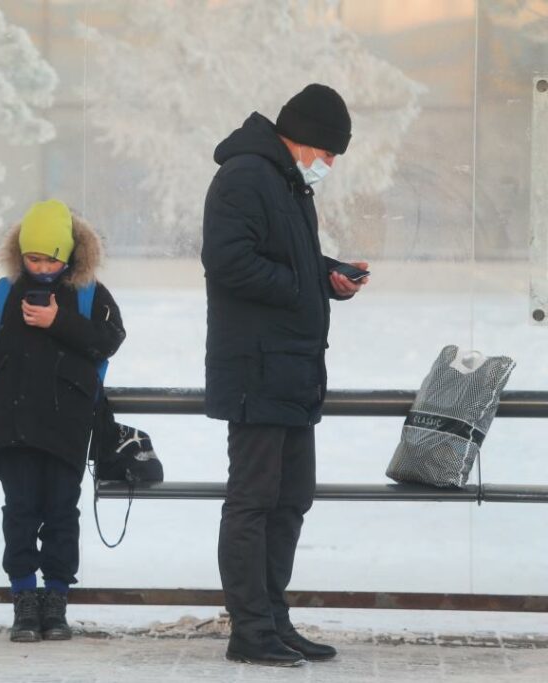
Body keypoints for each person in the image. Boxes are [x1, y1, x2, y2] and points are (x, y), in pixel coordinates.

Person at [201, 84, 369, 666]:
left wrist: (328, 276)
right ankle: (250, 630)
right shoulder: (246, 176)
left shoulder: (287, 183)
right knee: (253, 501)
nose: (329, 165)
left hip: (292, 369)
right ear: (303, 138)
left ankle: (273, 619)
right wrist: (302, 285)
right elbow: (228, 261)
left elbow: (284, 258)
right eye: (328, 153)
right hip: (258, 369)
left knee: (290, 498)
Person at [0, 200, 126, 642]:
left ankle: (56, 599)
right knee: (19, 512)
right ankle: (23, 598)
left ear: (69, 254)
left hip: (67, 427)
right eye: (33, 258)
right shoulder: (3, 293)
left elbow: (109, 339)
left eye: (51, 259)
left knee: (61, 513)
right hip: (12, 425)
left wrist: (58, 321)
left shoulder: (89, 293)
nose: (42, 268)